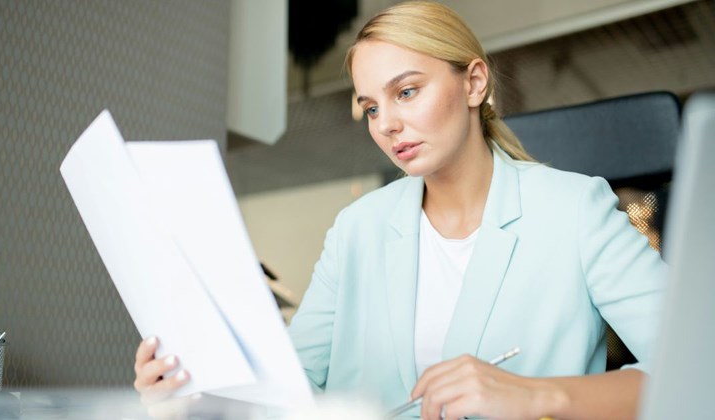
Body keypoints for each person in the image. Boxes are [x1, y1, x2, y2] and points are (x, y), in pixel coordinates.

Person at [133, 1, 667, 418]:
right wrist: (195, 398)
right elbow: (292, 389)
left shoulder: (572, 209)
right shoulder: (357, 229)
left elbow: (697, 369)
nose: (385, 123)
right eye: (370, 107)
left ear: (474, 82)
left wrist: (533, 397)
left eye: (406, 92)